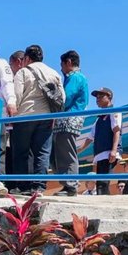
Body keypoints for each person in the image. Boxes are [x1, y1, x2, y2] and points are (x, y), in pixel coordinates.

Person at [11, 45, 62, 191]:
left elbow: (17, 95)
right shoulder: (53, 73)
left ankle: (22, 186)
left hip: (25, 116)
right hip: (46, 116)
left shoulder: (23, 72)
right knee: (42, 152)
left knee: (22, 152)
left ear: (27, 58)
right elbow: (61, 97)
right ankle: (39, 186)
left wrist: (14, 113)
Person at [53, 50, 90, 195]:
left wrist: (54, 95)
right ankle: (69, 184)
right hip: (70, 119)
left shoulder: (75, 77)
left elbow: (65, 98)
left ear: (68, 62)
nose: (61, 68)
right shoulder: (80, 77)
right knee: (65, 151)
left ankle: (71, 185)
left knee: (66, 151)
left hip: (69, 119)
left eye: (62, 64)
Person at [88, 87, 122, 194]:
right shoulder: (99, 119)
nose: (98, 99)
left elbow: (116, 131)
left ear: (109, 97)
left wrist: (114, 150)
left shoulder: (114, 111)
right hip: (100, 155)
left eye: (101, 96)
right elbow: (89, 138)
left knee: (103, 183)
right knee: (100, 184)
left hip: (108, 152)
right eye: (97, 97)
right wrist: (76, 151)